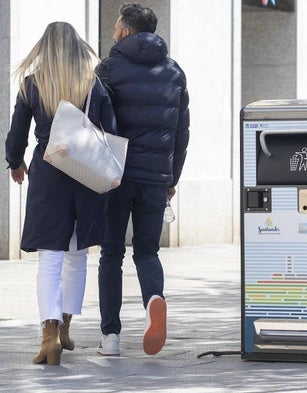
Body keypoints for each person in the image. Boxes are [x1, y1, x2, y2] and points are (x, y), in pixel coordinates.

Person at [4, 22, 118, 366]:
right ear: (76, 47)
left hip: (49, 173)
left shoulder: (33, 83)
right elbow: (110, 131)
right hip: (85, 173)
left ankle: (49, 337)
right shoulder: (93, 83)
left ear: (46, 48)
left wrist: (15, 163)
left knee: (49, 260)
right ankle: (66, 325)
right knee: (77, 255)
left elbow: (16, 132)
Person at [95, 3, 190, 356]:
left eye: (117, 26)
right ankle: (154, 299)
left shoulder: (108, 69)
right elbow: (182, 133)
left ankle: (111, 337)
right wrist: (171, 178)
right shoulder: (174, 72)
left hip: (115, 176)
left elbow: (94, 122)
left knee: (111, 254)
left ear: (126, 31)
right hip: (155, 178)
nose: (114, 31)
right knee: (147, 250)